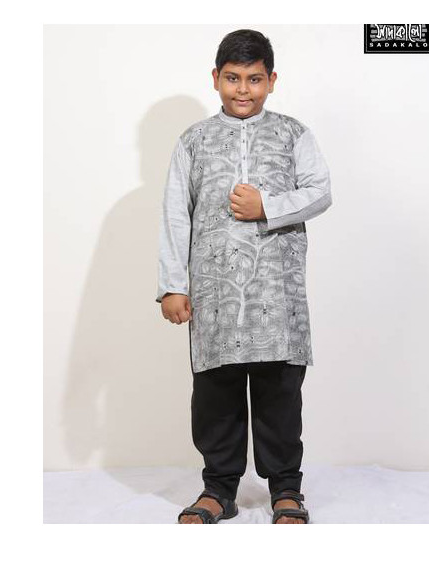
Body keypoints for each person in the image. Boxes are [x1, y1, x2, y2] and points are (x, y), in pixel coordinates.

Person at [156, 29, 332, 523]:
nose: (243, 89)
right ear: (216, 78)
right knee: (216, 396)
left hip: (277, 293)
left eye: (254, 79)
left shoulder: (293, 134)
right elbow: (175, 214)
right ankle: (218, 489)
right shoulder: (194, 140)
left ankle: (286, 490)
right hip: (214, 296)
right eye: (233, 78)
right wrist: (173, 285)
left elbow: (320, 191)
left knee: (280, 396)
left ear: (272, 81)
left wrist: (266, 206)